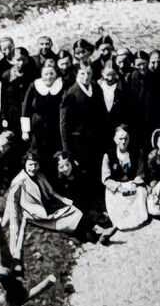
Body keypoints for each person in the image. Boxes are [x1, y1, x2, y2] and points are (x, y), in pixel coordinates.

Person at [3, 151, 115, 260]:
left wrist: (65, 200)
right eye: (30, 165)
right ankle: (98, 233)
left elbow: (51, 192)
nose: (33, 168)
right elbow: (12, 208)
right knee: (72, 218)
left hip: (47, 206)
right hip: (36, 215)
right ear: (24, 165)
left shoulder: (39, 175)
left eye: (35, 164)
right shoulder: (18, 182)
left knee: (75, 212)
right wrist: (13, 239)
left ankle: (96, 237)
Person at [60, 63, 105, 200]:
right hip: (78, 142)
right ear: (76, 75)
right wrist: (66, 149)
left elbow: (102, 113)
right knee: (82, 172)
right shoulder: (71, 93)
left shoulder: (96, 89)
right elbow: (64, 123)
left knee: (96, 170)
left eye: (89, 74)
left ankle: (98, 202)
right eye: (82, 74)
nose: (86, 77)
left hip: (95, 139)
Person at [101, 124, 149, 231]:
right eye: (120, 138)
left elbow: (140, 173)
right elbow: (106, 178)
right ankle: (119, 222)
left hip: (132, 184)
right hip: (117, 186)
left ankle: (137, 219)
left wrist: (135, 183)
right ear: (115, 139)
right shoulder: (108, 155)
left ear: (129, 138)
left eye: (126, 138)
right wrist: (118, 186)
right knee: (114, 198)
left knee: (141, 192)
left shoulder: (137, 152)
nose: (123, 141)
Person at [21, 58, 65, 170]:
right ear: (41, 74)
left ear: (55, 74)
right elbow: (26, 108)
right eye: (46, 74)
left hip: (55, 127)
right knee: (37, 154)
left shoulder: (61, 85)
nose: (49, 77)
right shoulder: (34, 86)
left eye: (51, 73)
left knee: (55, 154)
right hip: (37, 128)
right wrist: (25, 130)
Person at [0, 47, 33, 138]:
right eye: (18, 60)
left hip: (28, 112)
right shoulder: (7, 75)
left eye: (23, 60)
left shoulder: (31, 74)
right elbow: (3, 97)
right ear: (12, 60)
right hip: (12, 113)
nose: (20, 63)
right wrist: (3, 117)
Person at [97, 62, 131, 152]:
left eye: (113, 74)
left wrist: (122, 128)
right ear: (102, 73)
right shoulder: (97, 87)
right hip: (100, 130)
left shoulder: (123, 88)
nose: (110, 78)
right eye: (108, 75)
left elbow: (128, 111)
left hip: (118, 131)